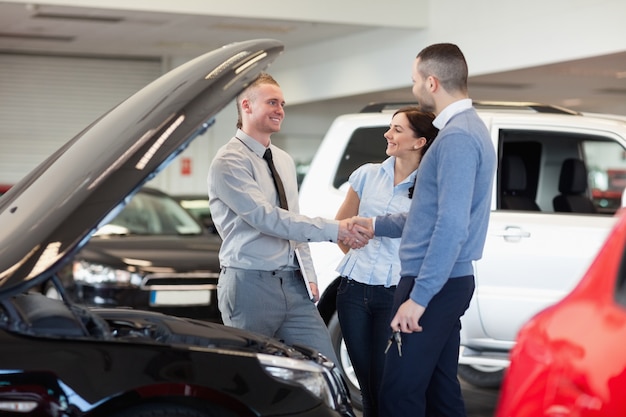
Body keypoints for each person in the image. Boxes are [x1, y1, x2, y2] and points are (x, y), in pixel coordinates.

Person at [348, 43, 497, 417]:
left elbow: (451, 224)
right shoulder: (465, 131)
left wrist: (420, 296)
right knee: (440, 392)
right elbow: (429, 217)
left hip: (433, 283)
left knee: (399, 393)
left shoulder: (457, 137)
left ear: (432, 82)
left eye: (415, 80)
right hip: (444, 281)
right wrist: (375, 223)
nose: (413, 87)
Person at [207, 73, 368, 365]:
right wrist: (337, 229)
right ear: (247, 106)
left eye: (282, 103)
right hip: (250, 286)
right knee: (251, 376)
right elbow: (267, 219)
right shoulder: (228, 161)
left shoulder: (283, 159)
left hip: (294, 286)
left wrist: (308, 274)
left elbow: (292, 220)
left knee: (324, 369)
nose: (280, 110)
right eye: (272, 102)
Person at [334, 107, 438, 417]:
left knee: (386, 382)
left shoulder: (430, 186)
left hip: (394, 293)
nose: (387, 135)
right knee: (366, 385)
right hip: (352, 290)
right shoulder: (367, 174)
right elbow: (340, 228)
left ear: (419, 142)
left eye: (396, 129)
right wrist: (355, 248)